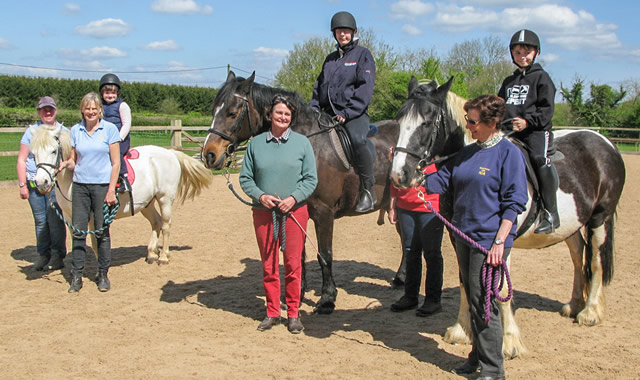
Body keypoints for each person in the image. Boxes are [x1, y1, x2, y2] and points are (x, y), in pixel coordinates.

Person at [425, 95, 527, 380]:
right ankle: (476, 356)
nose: (468, 126)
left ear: (492, 123)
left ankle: (494, 370)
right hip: (463, 236)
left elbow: (514, 202)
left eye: (472, 121)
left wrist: (499, 243)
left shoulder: (508, 154)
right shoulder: (467, 153)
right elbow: (438, 180)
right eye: (467, 120)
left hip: (489, 241)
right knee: (472, 297)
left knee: (484, 302)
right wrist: (413, 171)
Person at [239, 94, 318, 334]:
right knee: (269, 264)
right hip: (264, 213)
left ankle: (293, 313)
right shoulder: (255, 144)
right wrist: (260, 196)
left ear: (291, 118)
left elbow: (310, 179)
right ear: (270, 115)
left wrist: (294, 198)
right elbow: (245, 178)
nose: (283, 117)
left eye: (287, 114)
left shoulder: (303, 143)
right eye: (279, 113)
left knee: (294, 264)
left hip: (294, 212)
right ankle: (272, 311)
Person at [310, 11, 376, 213]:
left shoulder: (363, 55)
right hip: (328, 115)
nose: (343, 35)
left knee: (357, 139)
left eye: (346, 32)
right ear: (335, 34)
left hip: (353, 114)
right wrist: (313, 108)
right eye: (339, 32)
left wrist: (348, 112)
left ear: (354, 32)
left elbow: (365, 88)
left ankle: (368, 189)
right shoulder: (330, 59)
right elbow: (319, 86)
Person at [498, 29, 559, 234]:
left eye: (526, 52)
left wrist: (527, 122)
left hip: (536, 132)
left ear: (536, 53)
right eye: (517, 52)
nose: (522, 56)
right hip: (509, 132)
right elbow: (499, 106)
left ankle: (550, 212)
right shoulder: (508, 81)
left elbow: (547, 110)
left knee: (539, 159)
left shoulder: (542, 79)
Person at [59, 92, 120, 293]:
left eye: (94, 108)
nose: (91, 112)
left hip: (102, 186)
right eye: (87, 108)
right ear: (82, 110)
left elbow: (115, 162)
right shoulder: (75, 131)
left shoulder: (109, 130)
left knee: (102, 232)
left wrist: (111, 189)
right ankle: (76, 276)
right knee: (78, 232)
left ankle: (103, 274)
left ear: (100, 110)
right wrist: (65, 164)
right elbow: (73, 160)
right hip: (80, 186)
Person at [388, 150, 445, 316]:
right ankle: (410, 296)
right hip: (405, 206)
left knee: (432, 254)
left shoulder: (435, 152)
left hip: (430, 208)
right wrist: (392, 205)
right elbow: (394, 177)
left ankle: (433, 299)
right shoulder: (405, 148)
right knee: (410, 252)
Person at [17, 96, 68, 271]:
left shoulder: (63, 131)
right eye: (44, 109)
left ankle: (58, 255)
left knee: (55, 220)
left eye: (51, 109)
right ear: (39, 112)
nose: (48, 112)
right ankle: (43, 255)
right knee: (40, 220)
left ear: (55, 111)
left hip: (55, 183)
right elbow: (22, 160)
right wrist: (23, 184)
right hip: (33, 182)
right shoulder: (31, 132)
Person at [99, 73, 132, 193]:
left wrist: (119, 138)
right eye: (107, 92)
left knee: (117, 154)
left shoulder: (122, 106)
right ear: (102, 93)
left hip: (120, 139)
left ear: (117, 93)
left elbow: (126, 123)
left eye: (113, 93)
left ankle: (124, 178)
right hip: (103, 138)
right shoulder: (99, 106)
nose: (110, 95)